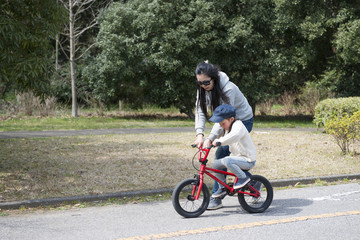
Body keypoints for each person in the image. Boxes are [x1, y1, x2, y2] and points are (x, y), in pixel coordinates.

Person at [193, 61, 254, 210]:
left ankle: (217, 196)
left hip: (241, 120)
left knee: (224, 153)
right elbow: (200, 111)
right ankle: (252, 183)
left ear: (214, 78)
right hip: (226, 120)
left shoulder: (228, 89)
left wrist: (212, 138)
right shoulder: (202, 88)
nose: (203, 85)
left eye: (206, 82)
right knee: (225, 157)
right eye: (199, 82)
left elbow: (224, 117)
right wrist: (199, 134)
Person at [208, 104, 257, 200]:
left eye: (223, 123)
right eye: (220, 124)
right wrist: (208, 141)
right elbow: (221, 136)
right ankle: (222, 187)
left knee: (227, 161)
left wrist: (219, 142)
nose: (221, 126)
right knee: (216, 165)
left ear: (231, 119)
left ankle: (243, 179)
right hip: (236, 158)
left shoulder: (238, 125)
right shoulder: (227, 128)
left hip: (247, 159)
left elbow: (233, 136)